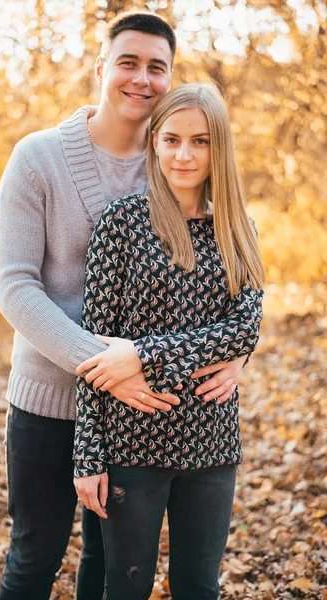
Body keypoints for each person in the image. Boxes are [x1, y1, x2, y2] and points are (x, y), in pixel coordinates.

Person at [0, 10, 247, 600]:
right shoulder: (37, 158)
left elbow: (224, 278)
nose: (141, 78)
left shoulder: (176, 161)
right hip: (49, 400)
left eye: (157, 67)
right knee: (36, 555)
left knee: (109, 566)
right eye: (128, 62)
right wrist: (109, 369)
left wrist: (239, 355)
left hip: (140, 414)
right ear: (102, 68)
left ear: (169, 78)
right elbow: (15, 287)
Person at [73, 82, 264, 600]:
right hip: (133, 443)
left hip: (212, 441)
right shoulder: (122, 224)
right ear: (154, 142)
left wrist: (142, 353)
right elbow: (96, 350)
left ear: (218, 146)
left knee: (198, 586)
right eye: (173, 139)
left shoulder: (236, 226)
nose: (184, 155)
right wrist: (89, 457)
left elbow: (245, 327)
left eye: (200, 141)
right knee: (125, 587)